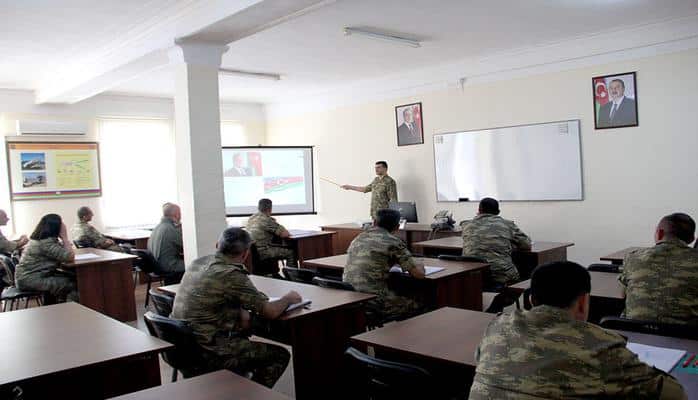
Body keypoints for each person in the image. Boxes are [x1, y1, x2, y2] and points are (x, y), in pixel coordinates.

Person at [469, 261, 686, 399]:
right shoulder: (602, 345)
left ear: (532, 300)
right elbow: (675, 394)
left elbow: (480, 359)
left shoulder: (497, 326)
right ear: (583, 302)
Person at [171, 227, 299, 388]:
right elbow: (270, 312)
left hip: (181, 347)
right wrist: (288, 298)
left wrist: (241, 310)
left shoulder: (198, 263)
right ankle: (252, 395)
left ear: (217, 245)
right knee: (279, 356)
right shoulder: (231, 274)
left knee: (244, 330)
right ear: (245, 254)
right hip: (208, 351)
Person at [343, 208, 425, 323]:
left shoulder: (359, 238)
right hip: (375, 302)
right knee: (421, 302)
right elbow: (419, 275)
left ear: (374, 222)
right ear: (397, 227)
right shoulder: (394, 242)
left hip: (351, 299)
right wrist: (419, 263)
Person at [620, 213, 698, 325]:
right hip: (686, 334)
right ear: (691, 239)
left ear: (660, 233)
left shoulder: (633, 257)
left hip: (633, 331)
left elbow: (623, 294)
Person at [460, 197, 531, 285]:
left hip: (472, 275)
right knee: (526, 273)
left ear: (478, 210)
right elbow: (526, 245)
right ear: (498, 212)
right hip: (501, 275)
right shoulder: (507, 224)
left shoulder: (466, 225)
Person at [15, 214, 78, 302]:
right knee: (73, 284)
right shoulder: (46, 243)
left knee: (70, 276)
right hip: (31, 280)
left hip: (27, 277)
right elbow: (69, 257)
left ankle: (57, 305)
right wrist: (65, 238)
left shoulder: (40, 239)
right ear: (55, 227)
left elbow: (63, 253)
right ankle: (70, 309)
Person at [246, 199, 298, 271]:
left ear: (258, 207)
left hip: (251, 252)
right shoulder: (266, 220)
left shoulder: (251, 218)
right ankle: (293, 276)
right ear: (270, 209)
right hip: (263, 252)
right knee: (291, 253)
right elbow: (285, 234)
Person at [148, 202, 185, 284]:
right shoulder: (170, 229)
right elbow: (186, 246)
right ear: (176, 215)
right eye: (180, 213)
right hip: (169, 266)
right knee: (195, 265)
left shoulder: (157, 227)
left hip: (157, 265)